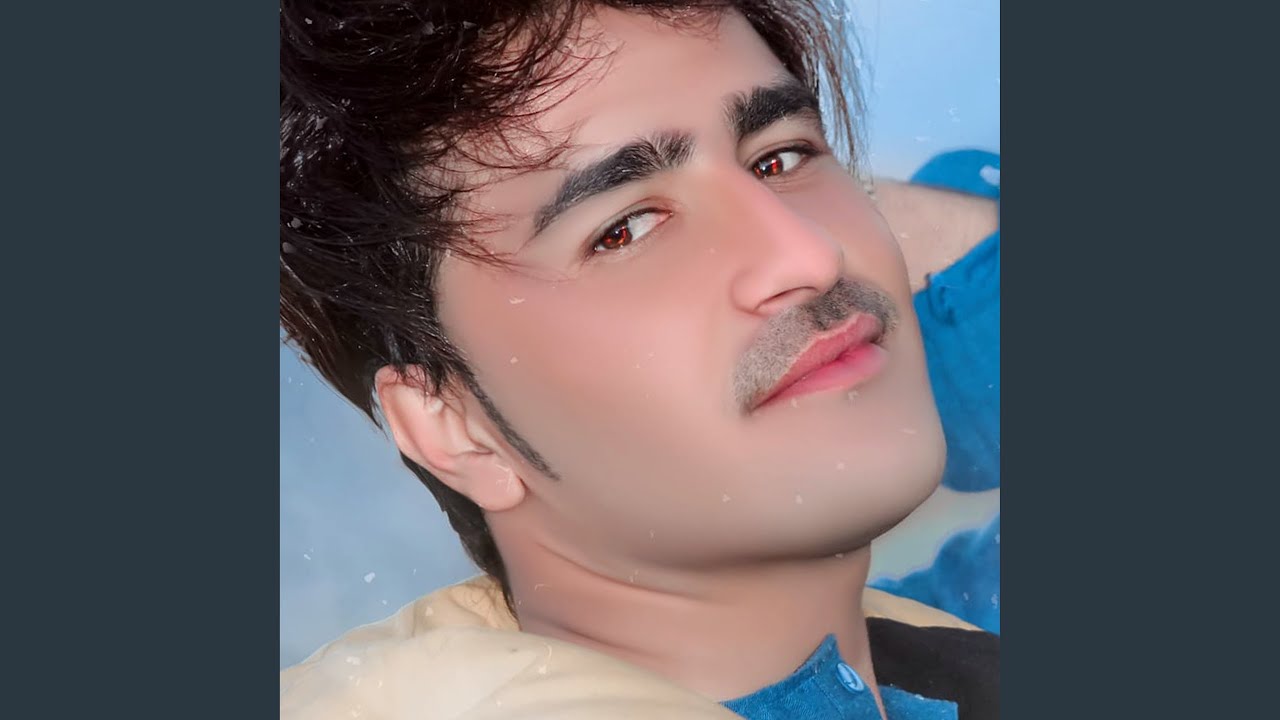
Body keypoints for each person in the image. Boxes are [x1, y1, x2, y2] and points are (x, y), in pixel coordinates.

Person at [279, 1, 999, 718]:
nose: (810, 252)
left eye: (780, 158)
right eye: (625, 230)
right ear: (454, 428)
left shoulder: (950, 656)